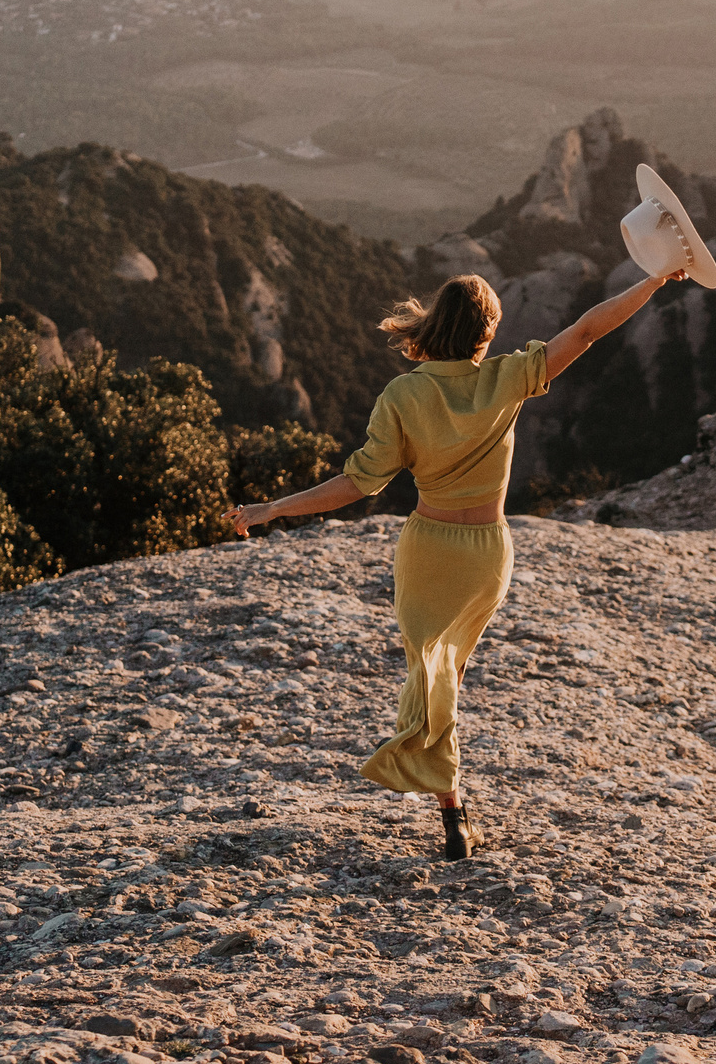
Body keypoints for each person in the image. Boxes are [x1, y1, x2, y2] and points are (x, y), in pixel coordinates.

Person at [223, 267, 686, 859]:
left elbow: (356, 485)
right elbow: (589, 329)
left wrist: (271, 509)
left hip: (429, 554)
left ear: (438, 324)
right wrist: (652, 281)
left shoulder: (404, 396)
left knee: (436, 677)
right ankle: (452, 808)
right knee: (447, 678)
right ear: (487, 332)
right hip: (488, 557)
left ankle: (450, 805)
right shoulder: (509, 376)